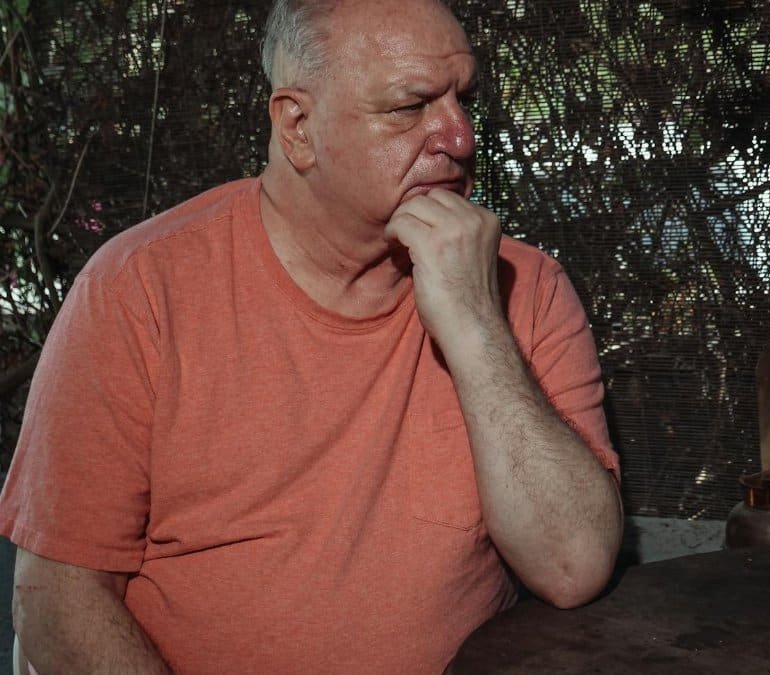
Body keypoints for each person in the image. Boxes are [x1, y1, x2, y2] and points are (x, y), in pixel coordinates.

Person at [0, 0, 624, 672]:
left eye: (463, 99)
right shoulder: (139, 289)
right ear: (298, 127)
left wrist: (475, 325)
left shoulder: (523, 285)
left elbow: (573, 565)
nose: (461, 136)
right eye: (411, 106)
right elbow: (57, 601)